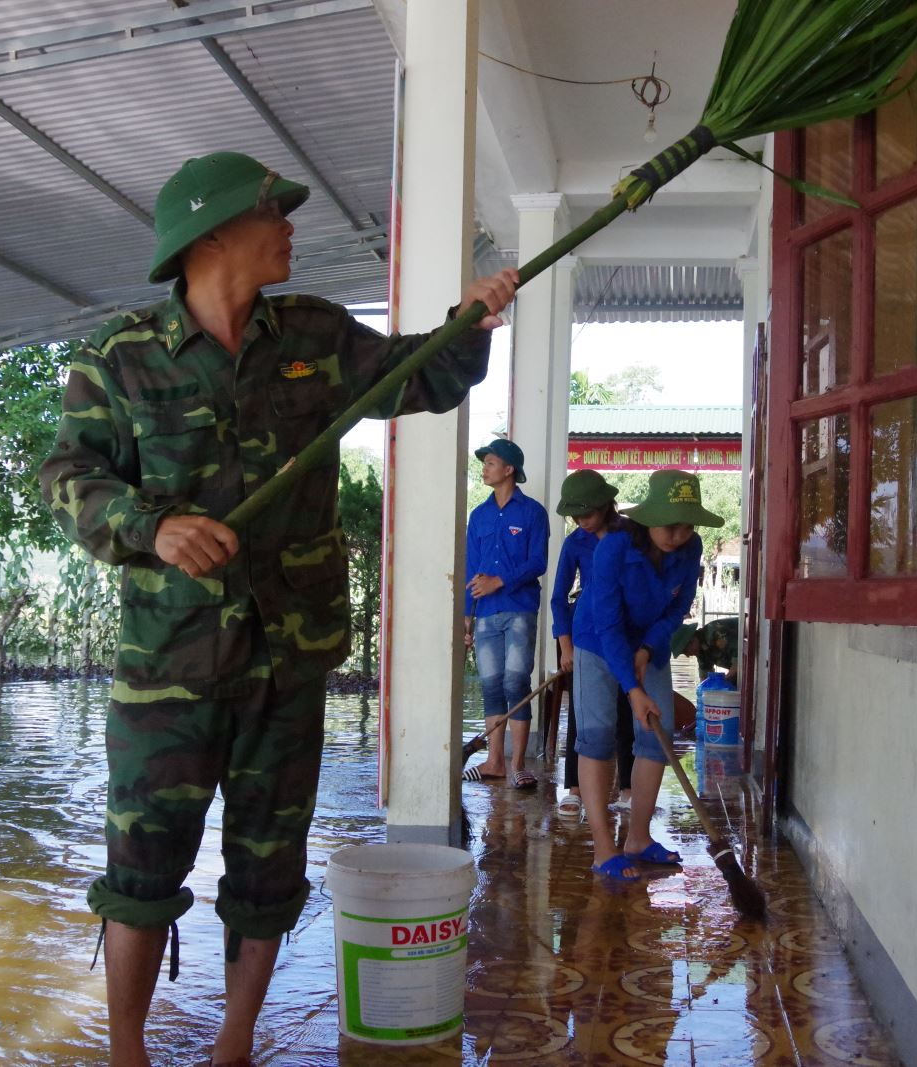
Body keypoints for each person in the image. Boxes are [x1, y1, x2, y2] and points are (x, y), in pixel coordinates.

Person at [38, 150, 517, 1067]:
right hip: (167, 668)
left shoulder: (318, 335)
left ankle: (233, 1045)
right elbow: (67, 476)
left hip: (288, 662)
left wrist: (471, 319)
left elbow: (423, 377)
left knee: (268, 870)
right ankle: (126, 1050)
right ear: (212, 233)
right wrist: (155, 525)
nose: (293, 226)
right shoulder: (120, 359)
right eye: (274, 213)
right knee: (141, 868)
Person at [570, 469, 724, 881]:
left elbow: (677, 610)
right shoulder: (614, 548)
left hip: (648, 642)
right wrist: (632, 685)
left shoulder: (690, 550)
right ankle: (604, 848)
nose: (679, 534)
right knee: (597, 735)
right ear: (650, 516)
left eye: (687, 525)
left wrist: (649, 648)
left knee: (658, 732)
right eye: (671, 524)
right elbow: (607, 625)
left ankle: (637, 838)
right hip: (597, 642)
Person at [461, 438, 549, 790]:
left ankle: (518, 764)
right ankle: (494, 762)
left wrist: (500, 581)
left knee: (515, 682)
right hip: (485, 613)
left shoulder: (532, 513)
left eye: (491, 462)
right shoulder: (479, 515)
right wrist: (467, 614)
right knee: (490, 686)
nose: (484, 468)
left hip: (519, 609)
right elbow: (470, 565)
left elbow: (538, 562)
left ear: (509, 469)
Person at [548, 470, 635, 818]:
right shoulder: (575, 544)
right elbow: (558, 599)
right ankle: (574, 789)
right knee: (584, 716)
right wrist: (566, 647)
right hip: (587, 636)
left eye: (587, 514)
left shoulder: (630, 534)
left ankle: (628, 789)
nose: (581, 521)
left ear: (605, 505)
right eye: (575, 516)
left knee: (627, 711)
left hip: (627, 634)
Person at [671, 616, 740, 686]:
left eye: (685, 651)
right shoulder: (701, 651)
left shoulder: (713, 632)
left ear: (691, 641)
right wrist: (704, 690)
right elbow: (704, 678)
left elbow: (739, 656)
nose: (687, 656)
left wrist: (725, 680)